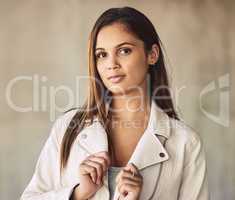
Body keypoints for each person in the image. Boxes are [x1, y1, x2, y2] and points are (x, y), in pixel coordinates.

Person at [21, 6, 209, 200]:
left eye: (124, 51)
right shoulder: (68, 128)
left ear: (152, 54)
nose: (111, 64)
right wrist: (78, 194)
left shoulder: (186, 143)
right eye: (102, 54)